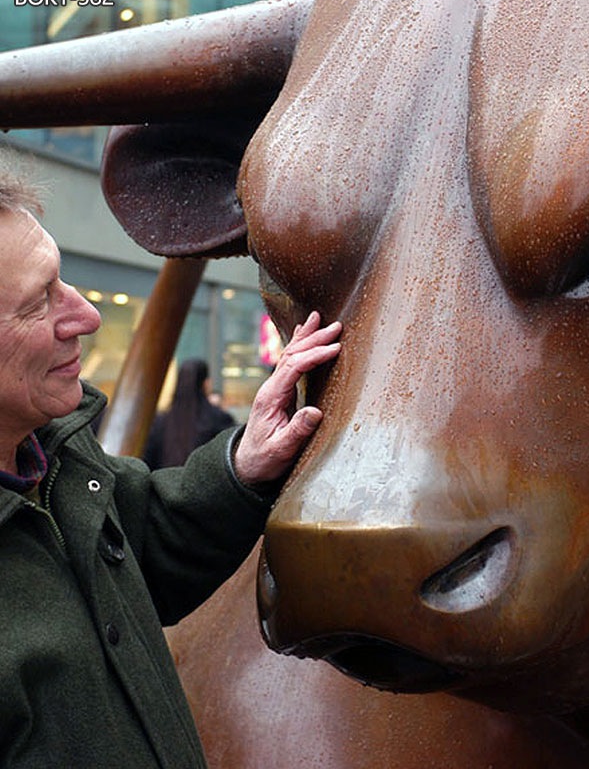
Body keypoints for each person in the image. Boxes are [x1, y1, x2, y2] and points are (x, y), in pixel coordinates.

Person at [0, 162, 342, 768]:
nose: (86, 317)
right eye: (39, 302)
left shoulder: (54, 456)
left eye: (64, 282)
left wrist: (246, 463)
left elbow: (145, 537)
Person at [144, 358, 236, 469]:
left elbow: (148, 461)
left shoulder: (159, 423)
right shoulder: (219, 419)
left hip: (165, 485)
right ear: (206, 383)